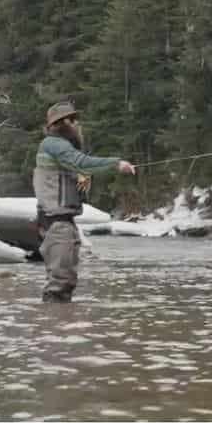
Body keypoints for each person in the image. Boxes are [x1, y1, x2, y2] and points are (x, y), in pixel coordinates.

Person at [32, 101, 136, 302]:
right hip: (56, 223)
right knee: (59, 284)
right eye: (74, 120)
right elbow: (80, 162)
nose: (78, 125)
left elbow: (73, 167)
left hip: (60, 221)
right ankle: (54, 326)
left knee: (65, 281)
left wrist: (81, 176)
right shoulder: (53, 143)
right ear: (61, 124)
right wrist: (116, 164)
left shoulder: (59, 147)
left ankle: (57, 325)